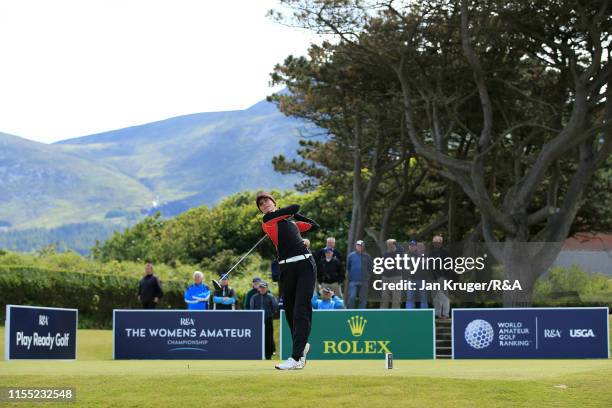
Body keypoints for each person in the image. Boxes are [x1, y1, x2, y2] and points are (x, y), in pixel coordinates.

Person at [256, 191, 318, 370]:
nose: (265, 204)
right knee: (290, 312)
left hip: (305, 265)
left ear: (274, 202)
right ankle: (302, 347)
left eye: (267, 201)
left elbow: (314, 225)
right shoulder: (268, 221)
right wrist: (288, 212)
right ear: (261, 210)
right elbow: (294, 207)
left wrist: (297, 227)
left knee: (301, 309)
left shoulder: (291, 222)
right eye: (261, 204)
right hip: (286, 269)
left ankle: (295, 357)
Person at [250, 281, 278, 359]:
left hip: (268, 320)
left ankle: (268, 355)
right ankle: (257, 354)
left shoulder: (270, 297)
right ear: (259, 288)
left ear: (266, 288)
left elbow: (275, 307)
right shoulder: (254, 297)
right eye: (261, 287)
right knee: (258, 337)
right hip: (257, 321)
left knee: (268, 337)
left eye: (264, 288)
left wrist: (269, 314)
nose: (262, 289)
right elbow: (252, 308)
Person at [346, 240, 372, 309]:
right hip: (353, 281)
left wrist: (368, 277)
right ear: (356, 246)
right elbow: (348, 268)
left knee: (363, 299)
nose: (359, 246)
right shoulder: (351, 256)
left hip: (364, 281)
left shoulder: (368, 256)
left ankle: (362, 313)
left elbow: (370, 269)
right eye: (358, 245)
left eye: (360, 245)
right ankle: (350, 312)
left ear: (363, 246)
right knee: (352, 297)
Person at [429, 235, 451, 319]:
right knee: (435, 297)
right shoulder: (431, 253)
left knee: (444, 296)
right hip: (433, 278)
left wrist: (446, 277)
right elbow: (429, 266)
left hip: (442, 278)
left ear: (441, 243)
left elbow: (449, 266)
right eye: (434, 242)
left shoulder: (445, 253)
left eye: (437, 242)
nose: (435, 244)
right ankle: (437, 314)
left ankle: (445, 314)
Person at [380, 239, 404, 309]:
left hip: (396, 277)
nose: (390, 246)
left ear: (394, 244)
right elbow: (382, 266)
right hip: (386, 278)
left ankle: (395, 314)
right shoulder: (385, 254)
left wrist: (395, 242)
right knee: (384, 296)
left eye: (391, 244)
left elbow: (401, 249)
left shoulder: (399, 252)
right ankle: (383, 313)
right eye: (388, 244)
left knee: (396, 297)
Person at [405, 240, 428, 309]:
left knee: (423, 297)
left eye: (414, 246)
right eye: (411, 246)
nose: (412, 247)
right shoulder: (407, 255)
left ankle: (424, 314)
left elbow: (426, 266)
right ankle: (409, 314)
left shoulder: (424, 255)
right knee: (410, 297)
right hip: (411, 279)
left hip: (422, 279)